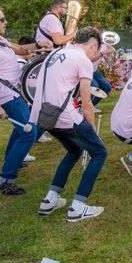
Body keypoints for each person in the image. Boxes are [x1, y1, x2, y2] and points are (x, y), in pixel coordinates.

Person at [30, 27, 108, 222]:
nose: (94, 54)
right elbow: (87, 100)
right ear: (92, 45)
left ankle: (50, 199)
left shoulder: (56, 53)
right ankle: (78, 206)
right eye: (95, 51)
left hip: (45, 115)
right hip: (65, 116)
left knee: (74, 151)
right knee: (99, 152)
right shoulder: (83, 60)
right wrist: (90, 129)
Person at [0, 5, 49, 195]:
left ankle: (12, 161)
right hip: (7, 96)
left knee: (22, 130)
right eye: (2, 19)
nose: (6, 22)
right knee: (29, 133)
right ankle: (6, 180)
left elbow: (20, 50)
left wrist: (39, 47)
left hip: (16, 93)